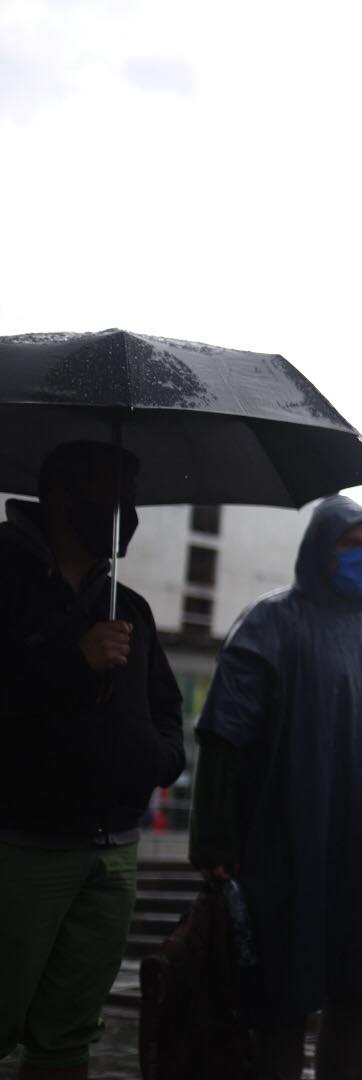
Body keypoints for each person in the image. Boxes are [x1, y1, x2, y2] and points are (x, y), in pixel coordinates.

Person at [189, 495, 362, 1080]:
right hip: (287, 841)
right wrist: (215, 843)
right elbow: (225, 738)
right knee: (282, 994)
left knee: (357, 989)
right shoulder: (271, 622)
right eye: (348, 545)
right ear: (317, 550)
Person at [1, 442, 186, 1080]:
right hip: (22, 846)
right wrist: (70, 659)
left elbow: (166, 705)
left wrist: (158, 761)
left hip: (112, 851)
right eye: (113, 496)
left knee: (68, 1035)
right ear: (62, 502)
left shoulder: (128, 607)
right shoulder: (8, 581)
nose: (126, 513)